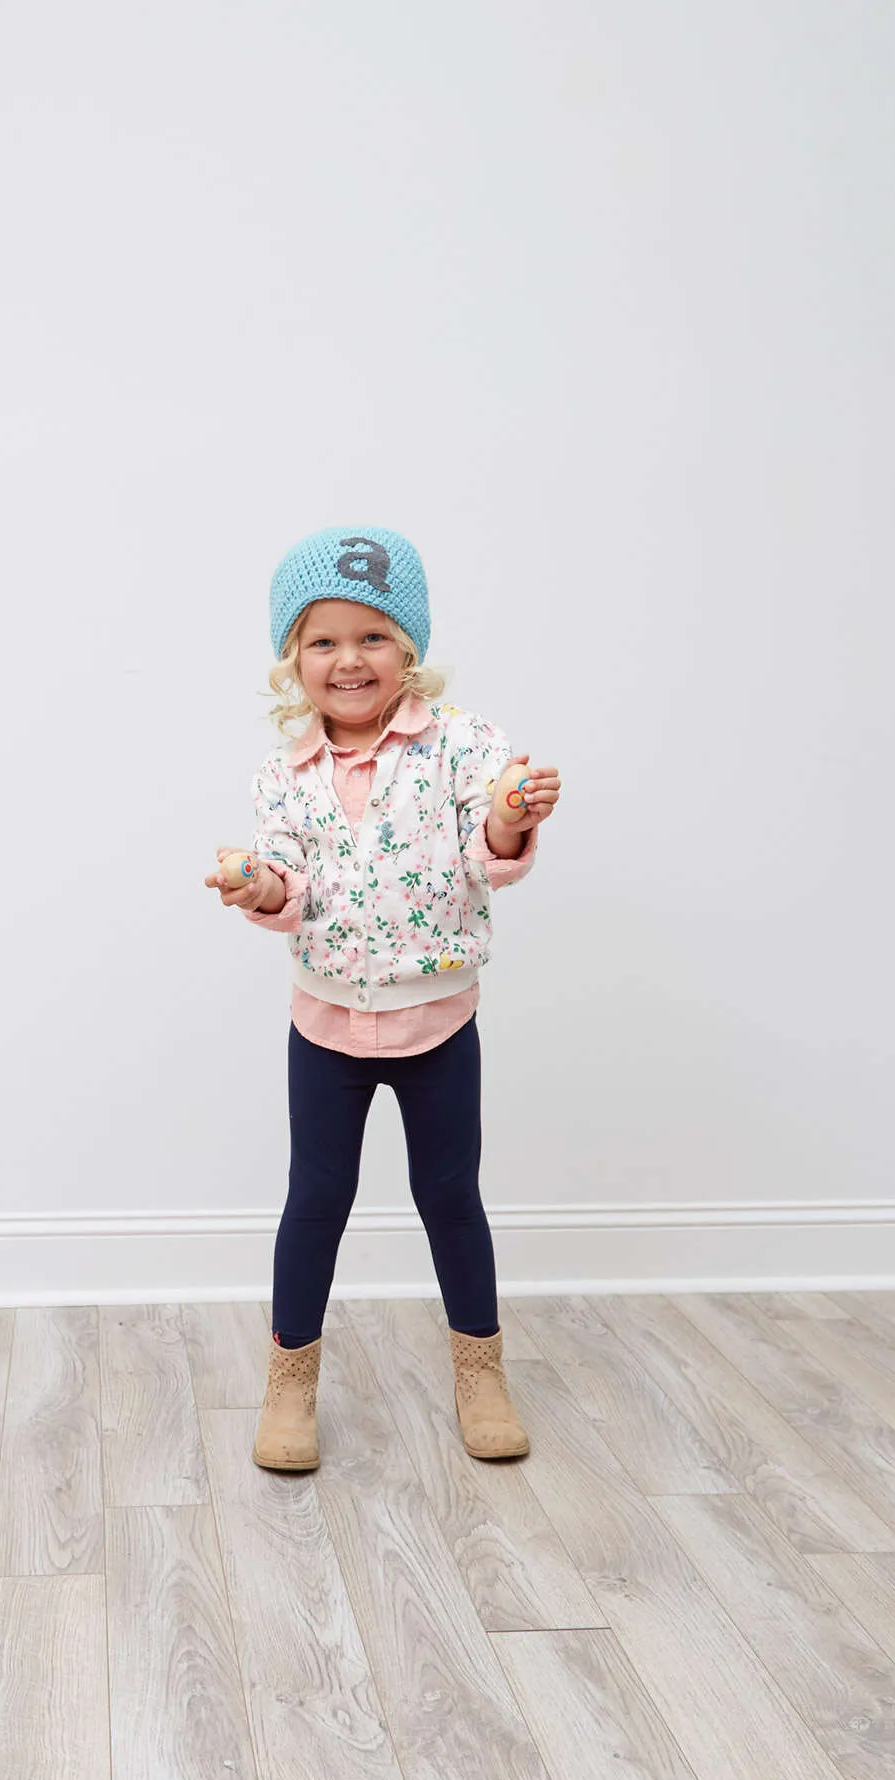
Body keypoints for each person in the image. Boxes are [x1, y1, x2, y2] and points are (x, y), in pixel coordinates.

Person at [203, 525, 561, 1472]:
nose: (349, 660)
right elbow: (290, 878)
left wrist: (509, 814)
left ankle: (481, 1371)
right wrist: (259, 886)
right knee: (316, 1196)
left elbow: (491, 843)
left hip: (438, 1020)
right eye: (324, 641)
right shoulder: (284, 774)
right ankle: (290, 1385)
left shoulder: (463, 746)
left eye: (373, 637)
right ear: (294, 660)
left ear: (410, 647)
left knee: (449, 1193)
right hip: (327, 1023)